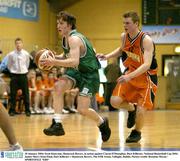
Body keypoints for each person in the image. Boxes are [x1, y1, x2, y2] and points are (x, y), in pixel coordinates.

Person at [40, 11, 111, 142]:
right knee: (58, 87)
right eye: (57, 23)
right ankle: (57, 123)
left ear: (70, 25)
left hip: (89, 75)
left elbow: (74, 61)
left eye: (61, 23)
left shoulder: (74, 39)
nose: (58, 26)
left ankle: (102, 123)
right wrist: (54, 57)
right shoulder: (65, 38)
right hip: (76, 72)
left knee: (82, 109)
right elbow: (66, 56)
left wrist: (54, 62)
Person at [97, 11, 158, 143]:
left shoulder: (146, 40)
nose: (125, 25)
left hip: (147, 78)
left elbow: (147, 65)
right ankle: (131, 109)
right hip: (131, 73)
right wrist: (107, 56)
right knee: (114, 101)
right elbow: (121, 49)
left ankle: (137, 132)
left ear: (136, 23)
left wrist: (129, 76)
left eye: (128, 23)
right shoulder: (124, 36)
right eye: (124, 23)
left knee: (142, 111)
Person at [7, 38, 31, 116]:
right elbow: (9, 65)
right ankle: (12, 110)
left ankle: (27, 110)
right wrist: (13, 71)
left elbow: (27, 64)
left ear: (22, 44)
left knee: (26, 94)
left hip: (23, 75)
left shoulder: (26, 54)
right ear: (15, 44)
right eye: (17, 43)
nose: (18, 45)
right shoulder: (11, 54)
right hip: (14, 76)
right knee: (13, 94)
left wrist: (23, 71)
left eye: (20, 43)